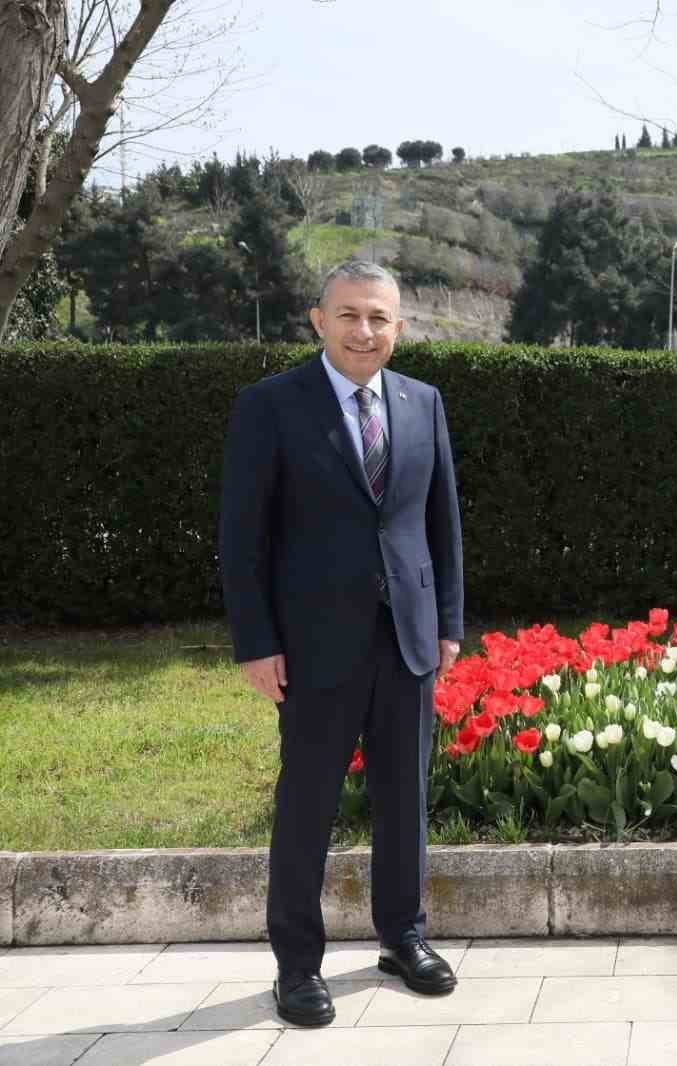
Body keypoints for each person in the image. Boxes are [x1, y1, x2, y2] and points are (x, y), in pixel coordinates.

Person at [221, 260, 464, 1026]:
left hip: (408, 641)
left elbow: (441, 524)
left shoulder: (423, 403)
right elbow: (242, 536)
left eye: (380, 318)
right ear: (318, 320)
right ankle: (296, 965)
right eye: (350, 315)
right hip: (314, 645)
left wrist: (449, 623)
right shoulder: (271, 406)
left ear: (399, 326)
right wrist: (257, 643)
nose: (366, 331)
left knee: (404, 798)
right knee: (307, 804)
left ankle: (403, 938)